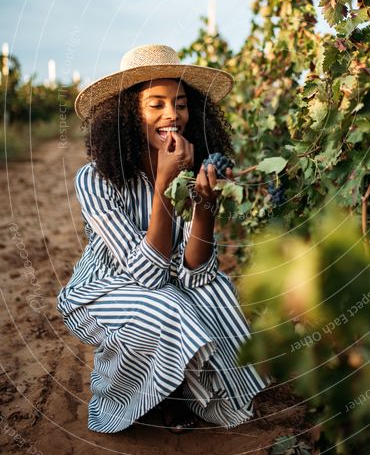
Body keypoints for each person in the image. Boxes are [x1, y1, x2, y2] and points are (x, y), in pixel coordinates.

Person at [57, 43, 269, 434]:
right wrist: (164, 187)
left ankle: (190, 390)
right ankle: (118, 399)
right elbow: (148, 276)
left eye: (181, 103)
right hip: (100, 293)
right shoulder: (96, 179)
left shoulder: (194, 169)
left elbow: (196, 274)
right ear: (127, 115)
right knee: (166, 304)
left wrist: (205, 207)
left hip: (164, 283)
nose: (173, 115)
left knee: (215, 290)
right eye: (156, 104)